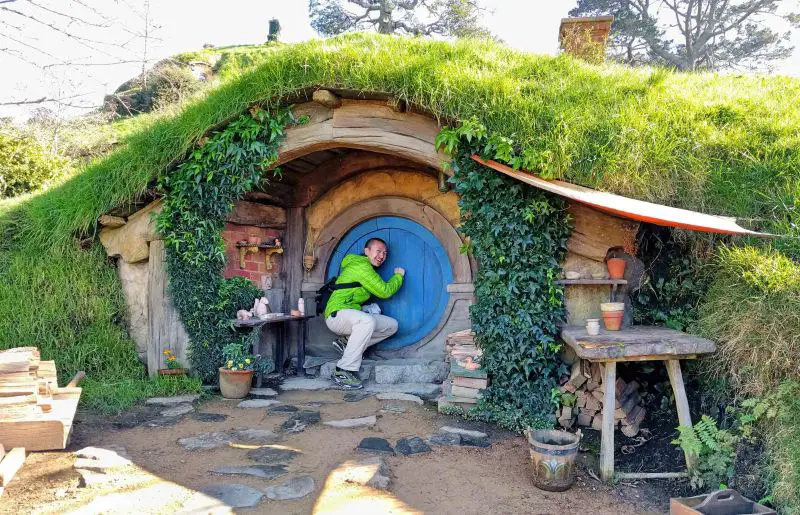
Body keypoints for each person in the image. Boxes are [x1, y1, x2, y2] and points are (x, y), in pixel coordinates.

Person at [324, 237, 405, 389]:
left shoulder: (365, 266)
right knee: (367, 321)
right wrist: (398, 276)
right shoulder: (361, 266)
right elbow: (384, 291)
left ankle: (347, 343)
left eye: (385, 253)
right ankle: (344, 370)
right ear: (367, 251)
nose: (382, 256)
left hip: (349, 315)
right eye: (378, 251)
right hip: (337, 314)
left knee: (391, 326)